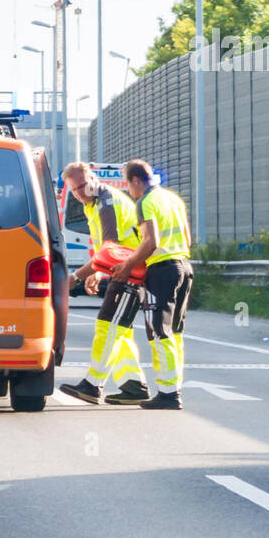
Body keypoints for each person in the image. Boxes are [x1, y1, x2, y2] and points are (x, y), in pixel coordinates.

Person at [56, 162, 151, 406]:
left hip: (129, 273)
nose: (81, 192)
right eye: (75, 190)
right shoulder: (94, 203)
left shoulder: (106, 202)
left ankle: (93, 385)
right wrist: (98, 272)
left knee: (106, 327)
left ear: (93, 178)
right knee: (119, 333)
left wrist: (76, 277)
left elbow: (110, 248)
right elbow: (107, 250)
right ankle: (133, 385)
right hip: (125, 270)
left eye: (84, 185)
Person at [111, 159, 192, 410]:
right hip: (184, 266)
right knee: (175, 333)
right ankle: (173, 387)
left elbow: (150, 242)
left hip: (162, 270)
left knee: (159, 331)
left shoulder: (145, 202)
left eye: (127, 184)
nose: (128, 190)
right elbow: (187, 236)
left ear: (136, 180)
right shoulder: (172, 198)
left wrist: (127, 265)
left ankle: (168, 394)